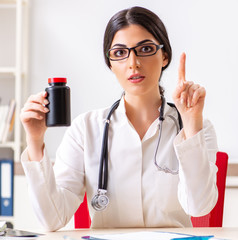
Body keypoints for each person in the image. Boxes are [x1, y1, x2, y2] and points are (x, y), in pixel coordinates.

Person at [20, 6, 218, 231]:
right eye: (120, 53)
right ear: (111, 64)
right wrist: (35, 141)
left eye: (145, 48)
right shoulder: (86, 129)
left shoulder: (196, 127)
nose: (133, 62)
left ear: (165, 56)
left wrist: (191, 125)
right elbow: (51, 220)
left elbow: (199, 207)